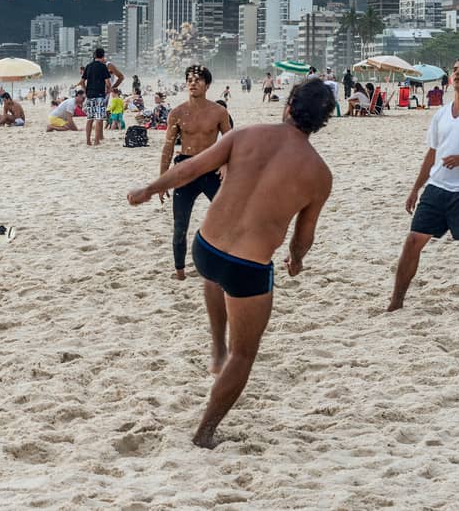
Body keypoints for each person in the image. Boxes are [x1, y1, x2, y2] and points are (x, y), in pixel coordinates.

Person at [127, 79, 335, 448]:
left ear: (287, 106)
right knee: (245, 353)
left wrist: (149, 189)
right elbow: (304, 235)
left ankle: (215, 345)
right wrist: (296, 259)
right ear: (323, 122)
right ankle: (205, 431)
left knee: (214, 276)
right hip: (247, 270)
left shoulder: (249, 134)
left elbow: (189, 169)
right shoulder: (319, 174)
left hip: (206, 249)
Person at [387, 58, 459, 312]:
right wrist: (415, 188)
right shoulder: (441, 114)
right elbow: (431, 155)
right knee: (413, 242)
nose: (457, 74)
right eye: (454, 70)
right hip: (438, 187)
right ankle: (396, 301)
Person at [161, 65, 233, 280]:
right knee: (180, 224)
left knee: (227, 219)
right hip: (185, 170)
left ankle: (226, 265)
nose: (193, 83)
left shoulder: (219, 112)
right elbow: (167, 147)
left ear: (207, 85)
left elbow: (231, 141)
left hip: (211, 168)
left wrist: (226, 164)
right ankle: (180, 272)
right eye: (189, 80)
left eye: (198, 80)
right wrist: (163, 178)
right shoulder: (177, 113)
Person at [79, 48, 125, 147]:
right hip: (100, 94)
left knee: (90, 118)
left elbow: (82, 81)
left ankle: (89, 140)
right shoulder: (104, 66)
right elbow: (109, 81)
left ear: (94, 56)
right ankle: (97, 140)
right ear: (103, 55)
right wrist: (110, 88)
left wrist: (85, 90)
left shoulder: (89, 66)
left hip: (90, 94)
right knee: (99, 118)